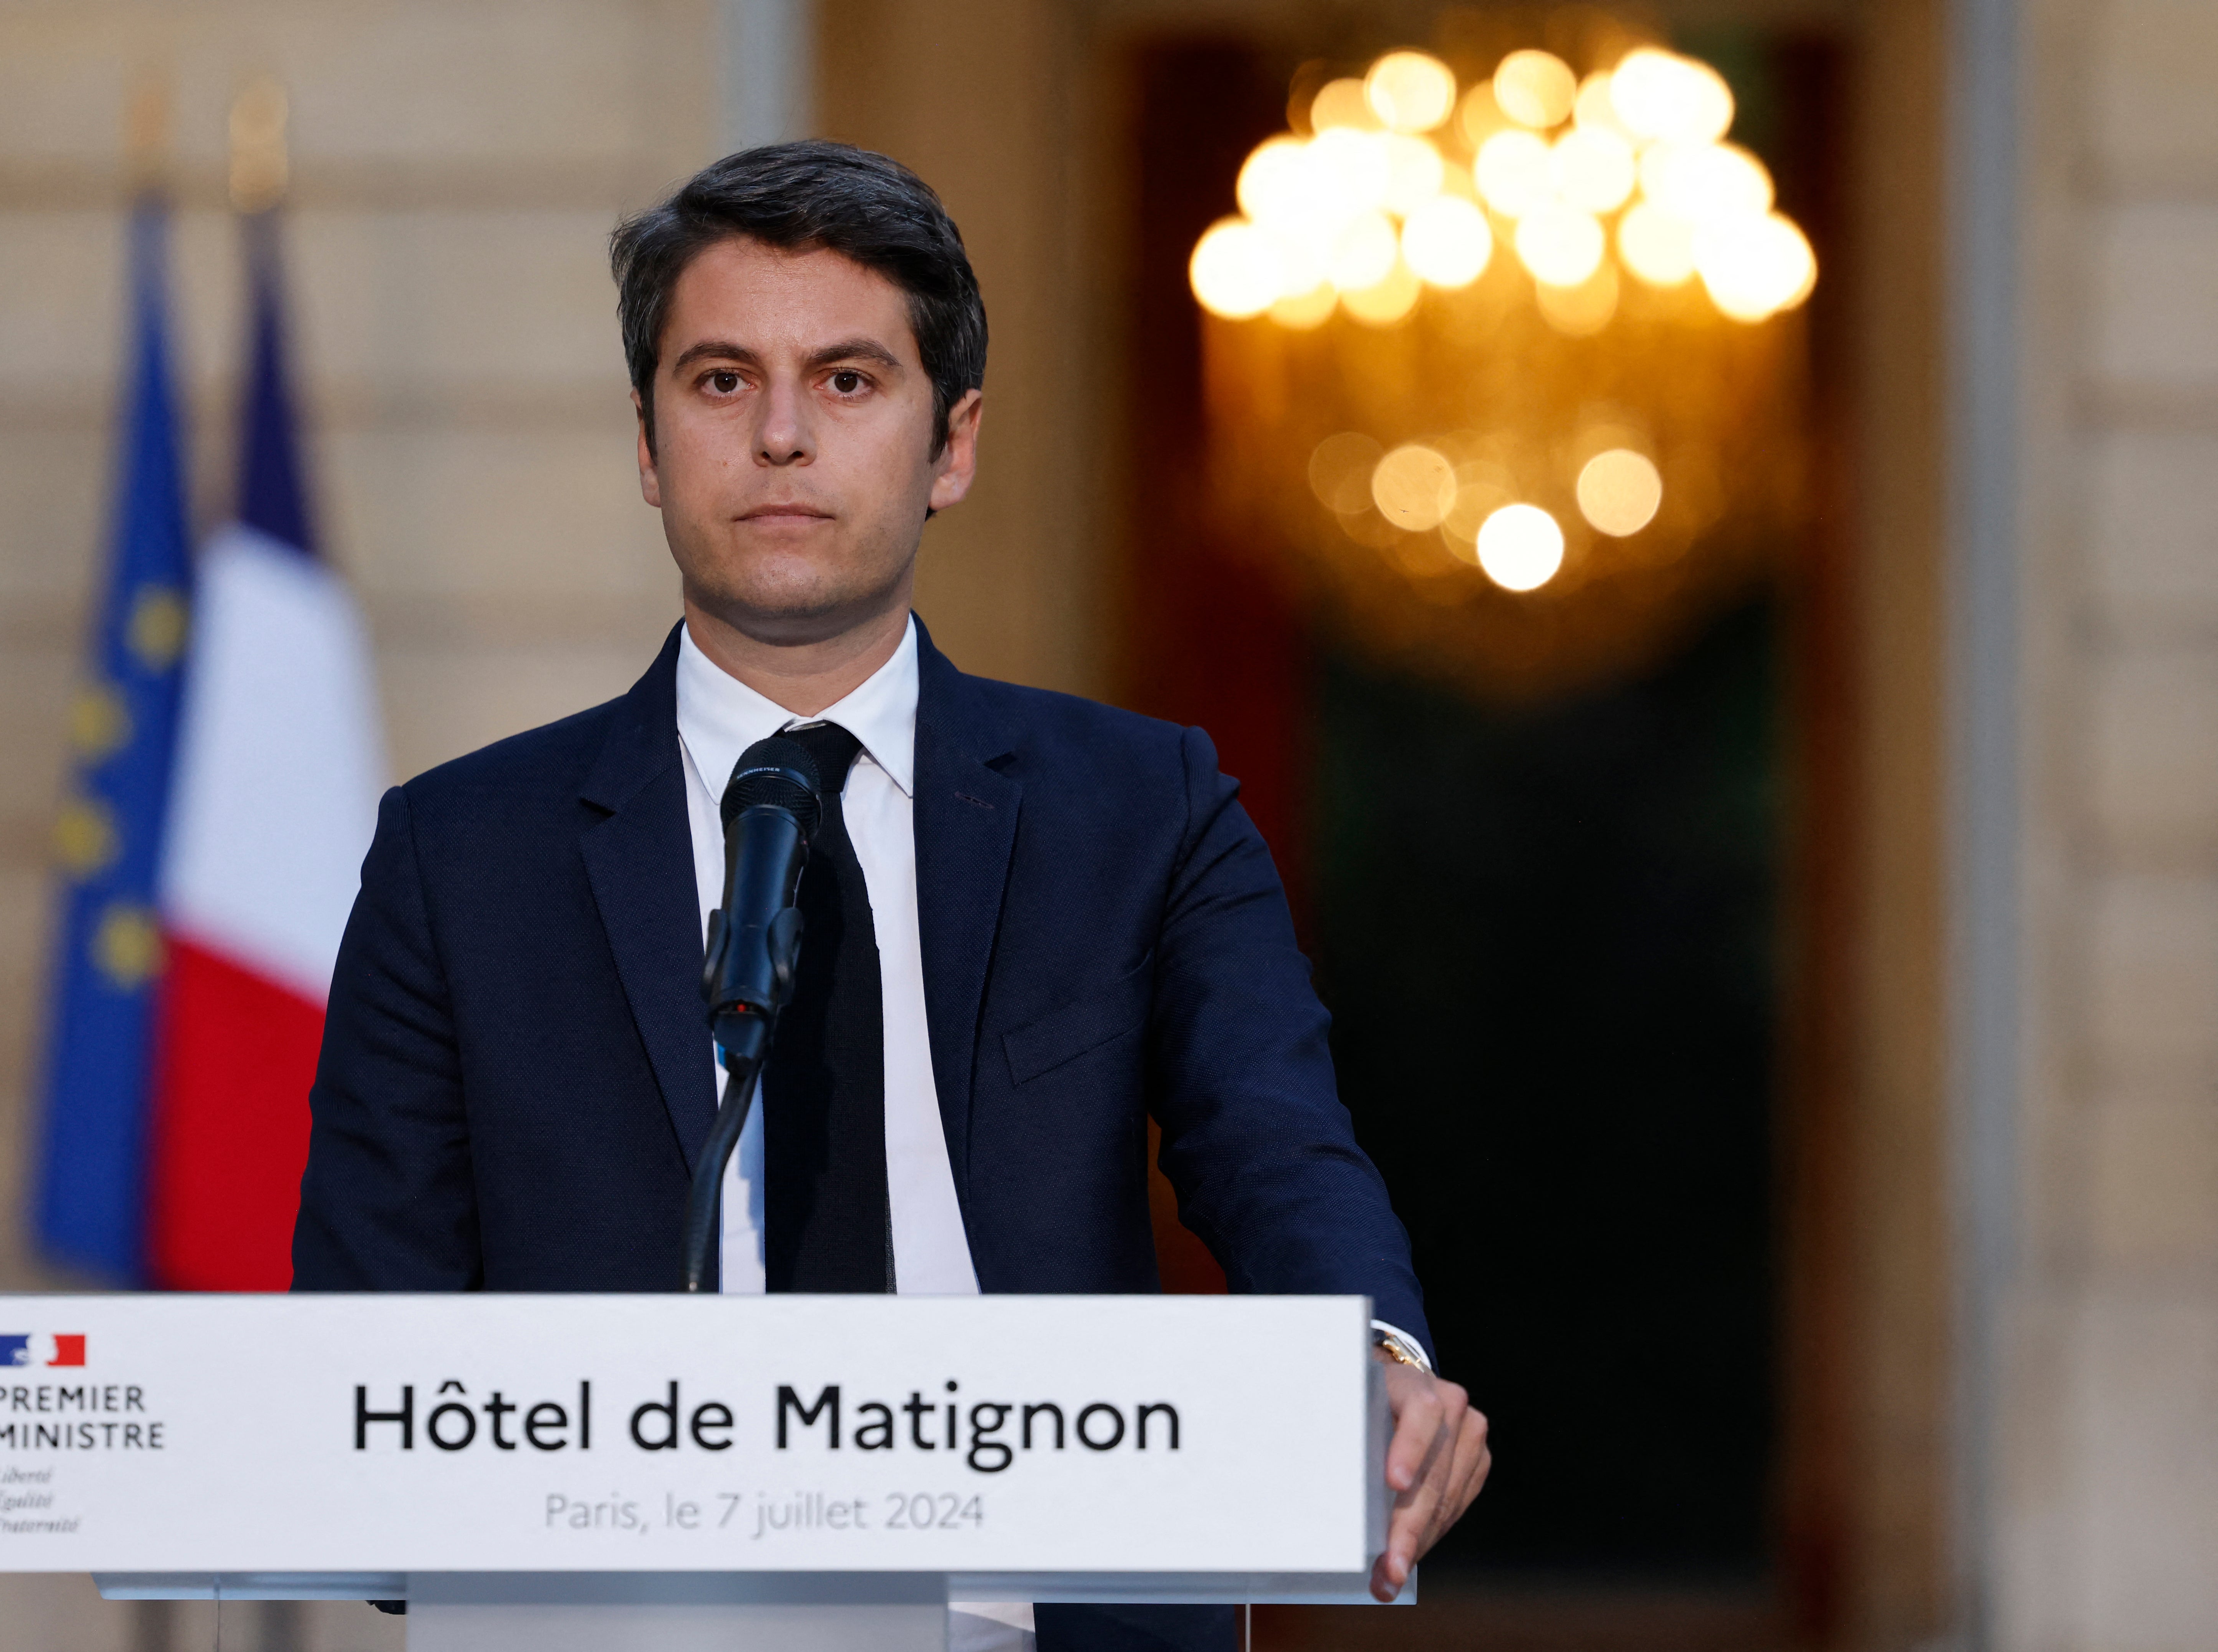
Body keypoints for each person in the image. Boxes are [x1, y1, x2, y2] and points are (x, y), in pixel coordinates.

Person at [290, 140, 1488, 1651]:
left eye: (847, 381)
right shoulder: (459, 856)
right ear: (648, 447)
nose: (780, 436)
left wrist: (1369, 1359)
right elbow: (366, 1345)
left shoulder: (1141, 810)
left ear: (951, 444)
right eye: (719, 382)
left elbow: (1274, 1147)